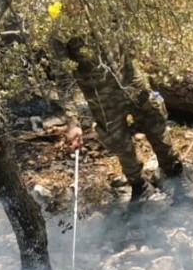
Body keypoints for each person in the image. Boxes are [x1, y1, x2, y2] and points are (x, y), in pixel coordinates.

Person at [50, 31, 183, 200]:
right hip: (102, 98)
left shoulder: (104, 5)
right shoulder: (58, 30)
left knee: (156, 125)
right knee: (119, 143)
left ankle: (175, 175)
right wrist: (72, 122)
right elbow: (64, 80)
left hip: (133, 83)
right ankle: (139, 187)